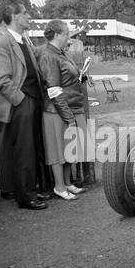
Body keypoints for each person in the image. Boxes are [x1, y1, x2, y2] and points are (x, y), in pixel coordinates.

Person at [0, 0, 49, 210]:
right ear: (14, 16)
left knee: (30, 148)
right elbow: (1, 79)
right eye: (25, 13)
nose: (29, 16)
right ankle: (25, 196)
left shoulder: (21, 40)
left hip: (30, 100)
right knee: (23, 150)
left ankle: (28, 189)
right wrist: (21, 101)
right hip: (20, 103)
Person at [38, 20, 87, 200]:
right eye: (66, 33)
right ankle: (59, 186)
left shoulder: (61, 53)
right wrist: (68, 117)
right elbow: (53, 89)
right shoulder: (48, 55)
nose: (68, 37)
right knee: (58, 149)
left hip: (70, 106)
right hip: (56, 110)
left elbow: (67, 77)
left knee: (69, 148)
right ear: (57, 34)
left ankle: (67, 182)